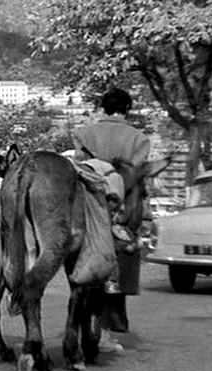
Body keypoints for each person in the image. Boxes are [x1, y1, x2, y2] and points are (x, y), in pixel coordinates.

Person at [73, 87, 151, 354]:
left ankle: (83, 325)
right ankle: (105, 332)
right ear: (127, 109)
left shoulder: (85, 133)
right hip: (120, 211)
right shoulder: (139, 139)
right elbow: (135, 180)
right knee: (118, 265)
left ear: (103, 108)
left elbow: (81, 170)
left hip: (86, 207)